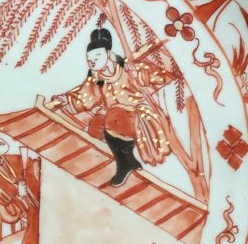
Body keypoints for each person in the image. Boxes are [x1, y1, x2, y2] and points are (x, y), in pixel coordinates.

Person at [55, 27, 171, 187]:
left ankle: (126, 163)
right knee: (96, 126)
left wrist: (140, 75)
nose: (92, 61)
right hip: (113, 115)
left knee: (115, 116)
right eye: (89, 59)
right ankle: (116, 163)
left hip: (140, 115)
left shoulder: (128, 69)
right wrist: (67, 99)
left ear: (108, 53)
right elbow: (85, 97)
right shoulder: (98, 79)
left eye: (97, 56)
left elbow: (158, 76)